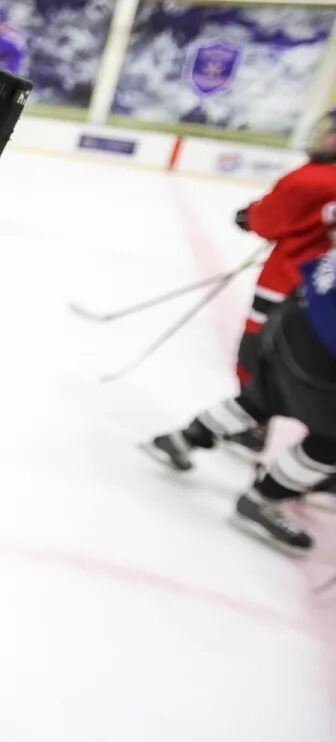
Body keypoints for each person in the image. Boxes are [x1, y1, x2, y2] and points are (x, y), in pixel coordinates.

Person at [143, 247, 336, 555]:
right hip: (319, 352)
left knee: (267, 398)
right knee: (330, 441)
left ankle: (182, 439)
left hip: (293, 316)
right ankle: (261, 501)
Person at [227, 108, 336, 457]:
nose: (324, 136)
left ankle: (250, 423)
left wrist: (249, 217)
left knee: (256, 349)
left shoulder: (311, 179)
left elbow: (270, 219)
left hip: (284, 280)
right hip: (320, 289)